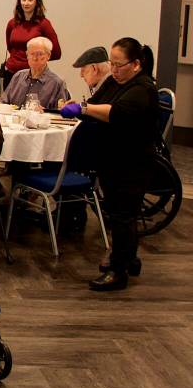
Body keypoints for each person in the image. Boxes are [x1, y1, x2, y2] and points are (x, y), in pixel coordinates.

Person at [60, 38, 158, 291]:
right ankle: (129, 258)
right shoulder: (115, 81)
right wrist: (81, 107)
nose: (113, 70)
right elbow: (96, 103)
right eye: (111, 64)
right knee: (118, 212)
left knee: (123, 214)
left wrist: (83, 109)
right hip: (112, 158)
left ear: (136, 64)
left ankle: (118, 271)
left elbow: (115, 112)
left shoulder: (143, 88)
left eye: (119, 65)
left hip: (133, 162)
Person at [4, 0, 62, 81]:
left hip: (33, 74)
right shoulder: (12, 23)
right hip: (11, 73)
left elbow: (56, 53)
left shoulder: (44, 24)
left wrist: (37, 59)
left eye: (30, 0)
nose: (26, 3)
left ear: (37, 2)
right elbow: (10, 48)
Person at [0, 37, 69, 110]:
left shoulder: (57, 83)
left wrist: (45, 112)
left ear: (48, 56)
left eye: (40, 54)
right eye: (32, 54)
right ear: (27, 55)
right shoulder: (18, 76)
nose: (35, 58)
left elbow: (61, 113)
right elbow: (4, 103)